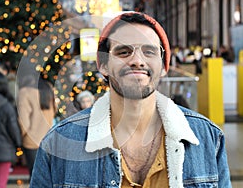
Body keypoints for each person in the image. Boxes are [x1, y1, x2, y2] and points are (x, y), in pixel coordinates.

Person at [30, 12, 231, 187]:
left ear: (163, 66)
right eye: (123, 52)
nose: (137, 60)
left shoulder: (207, 139)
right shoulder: (58, 144)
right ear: (104, 66)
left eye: (149, 51)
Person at [17, 77, 56, 180]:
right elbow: (54, 112)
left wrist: (19, 137)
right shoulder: (48, 88)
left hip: (31, 140)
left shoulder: (25, 92)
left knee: (35, 178)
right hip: (49, 140)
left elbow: (24, 121)